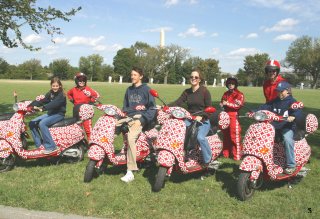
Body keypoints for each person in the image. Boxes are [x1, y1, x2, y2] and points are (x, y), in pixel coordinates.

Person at [168, 68, 212, 166]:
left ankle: (208, 160)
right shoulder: (187, 92)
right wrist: (165, 107)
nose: (193, 79)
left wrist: (202, 116)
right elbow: (178, 102)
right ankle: (178, 155)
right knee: (177, 133)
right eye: (191, 77)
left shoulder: (204, 91)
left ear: (200, 79)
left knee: (200, 137)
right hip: (190, 118)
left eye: (196, 77)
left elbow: (210, 108)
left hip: (203, 120)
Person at [256, 81, 303, 174]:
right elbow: (263, 107)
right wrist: (253, 112)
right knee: (260, 137)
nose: (279, 93)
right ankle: (261, 159)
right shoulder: (275, 101)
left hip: (287, 127)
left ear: (287, 91)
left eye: (281, 91)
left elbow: (298, 110)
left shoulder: (292, 101)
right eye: (278, 91)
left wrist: (293, 116)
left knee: (287, 139)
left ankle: (291, 165)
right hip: (273, 126)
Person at [120, 67, 156, 183]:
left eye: (135, 75)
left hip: (140, 118)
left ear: (141, 76)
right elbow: (125, 107)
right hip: (129, 116)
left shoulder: (147, 90)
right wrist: (125, 115)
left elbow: (152, 109)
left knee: (131, 138)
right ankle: (104, 157)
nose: (132, 77)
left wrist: (142, 120)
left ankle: (130, 170)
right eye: (131, 75)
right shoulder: (128, 90)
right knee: (111, 126)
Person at [29, 77, 66, 154]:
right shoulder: (50, 93)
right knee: (32, 122)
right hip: (50, 113)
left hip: (59, 114)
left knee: (42, 123)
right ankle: (39, 145)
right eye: (53, 86)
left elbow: (54, 104)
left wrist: (43, 108)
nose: (55, 87)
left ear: (60, 86)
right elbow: (43, 100)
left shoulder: (61, 95)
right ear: (51, 86)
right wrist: (30, 105)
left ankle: (51, 147)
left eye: (56, 86)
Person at [67, 72, 100, 141]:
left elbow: (97, 95)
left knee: (88, 129)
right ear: (76, 81)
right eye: (79, 80)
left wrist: (91, 101)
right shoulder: (73, 90)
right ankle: (80, 144)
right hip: (76, 111)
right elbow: (68, 94)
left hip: (86, 112)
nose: (82, 82)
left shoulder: (88, 89)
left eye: (83, 80)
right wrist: (72, 100)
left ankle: (91, 144)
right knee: (78, 129)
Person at [220, 77, 244, 161]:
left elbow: (238, 106)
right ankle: (226, 153)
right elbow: (222, 101)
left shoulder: (239, 94)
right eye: (229, 84)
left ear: (235, 85)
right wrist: (222, 104)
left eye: (232, 84)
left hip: (234, 116)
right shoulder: (225, 93)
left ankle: (237, 155)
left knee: (235, 136)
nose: (231, 85)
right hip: (225, 115)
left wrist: (227, 103)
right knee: (225, 135)